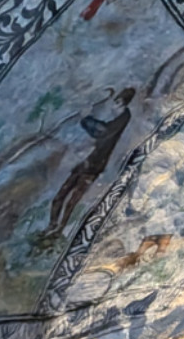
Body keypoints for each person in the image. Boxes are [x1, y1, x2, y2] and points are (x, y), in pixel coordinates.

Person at [44, 88, 135, 236]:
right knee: (62, 194)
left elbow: (102, 131)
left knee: (72, 199)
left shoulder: (123, 119)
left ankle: (59, 229)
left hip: (94, 165)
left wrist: (86, 118)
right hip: (88, 162)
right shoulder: (119, 120)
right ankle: (52, 225)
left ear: (122, 104)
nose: (112, 107)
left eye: (115, 103)